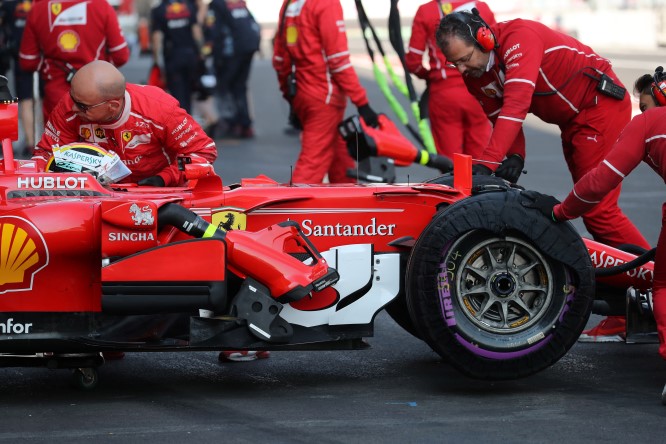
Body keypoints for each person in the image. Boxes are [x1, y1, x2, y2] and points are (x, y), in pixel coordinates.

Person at [524, 67, 666, 401]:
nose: (642, 113)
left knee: (662, 285)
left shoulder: (649, 124)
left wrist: (561, 212)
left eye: (645, 106)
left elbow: (599, 182)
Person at [31, 60, 217, 186]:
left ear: (113, 105)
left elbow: (203, 151)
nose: (72, 107)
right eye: (71, 96)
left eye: (81, 105)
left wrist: (164, 178)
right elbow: (46, 155)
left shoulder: (159, 108)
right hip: (96, 195)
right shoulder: (70, 105)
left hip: (162, 193)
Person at [273, 0, 379, 184]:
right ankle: (290, 211)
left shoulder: (289, 4)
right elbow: (338, 61)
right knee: (310, 167)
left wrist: (291, 97)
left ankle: (349, 206)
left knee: (341, 163)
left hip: (303, 95)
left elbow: (280, 59)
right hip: (324, 98)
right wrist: (362, 103)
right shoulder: (327, 4)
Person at [405, 0, 493, 158]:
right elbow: (493, 48)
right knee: (481, 161)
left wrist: (431, 77)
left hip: (444, 95)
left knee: (450, 165)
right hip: (479, 91)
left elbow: (413, 62)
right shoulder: (481, 7)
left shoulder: (426, 10)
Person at [18, 0, 129, 123]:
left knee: (57, 140)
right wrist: (99, 68)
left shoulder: (38, 8)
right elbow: (121, 55)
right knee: (96, 141)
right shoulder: (101, 5)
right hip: (96, 98)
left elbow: (28, 61)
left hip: (56, 95)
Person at [208, 0, 260, 139]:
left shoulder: (216, 5)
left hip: (232, 52)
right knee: (240, 86)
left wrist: (215, 57)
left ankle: (233, 122)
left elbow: (216, 31)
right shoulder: (239, 2)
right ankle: (245, 123)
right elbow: (253, 24)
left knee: (225, 86)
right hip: (249, 47)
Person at [150, 0, 203, 114]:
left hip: (173, 57)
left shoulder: (159, 9)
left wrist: (156, 62)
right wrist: (202, 54)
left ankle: (182, 125)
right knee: (189, 92)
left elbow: (156, 38)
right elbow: (196, 31)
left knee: (177, 95)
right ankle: (189, 121)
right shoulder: (188, 6)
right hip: (190, 55)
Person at [0, 0, 36, 157]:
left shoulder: (8, 5)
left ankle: (6, 142)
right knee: (28, 100)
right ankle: (31, 144)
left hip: (14, 53)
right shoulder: (40, 4)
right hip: (40, 54)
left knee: (5, 98)